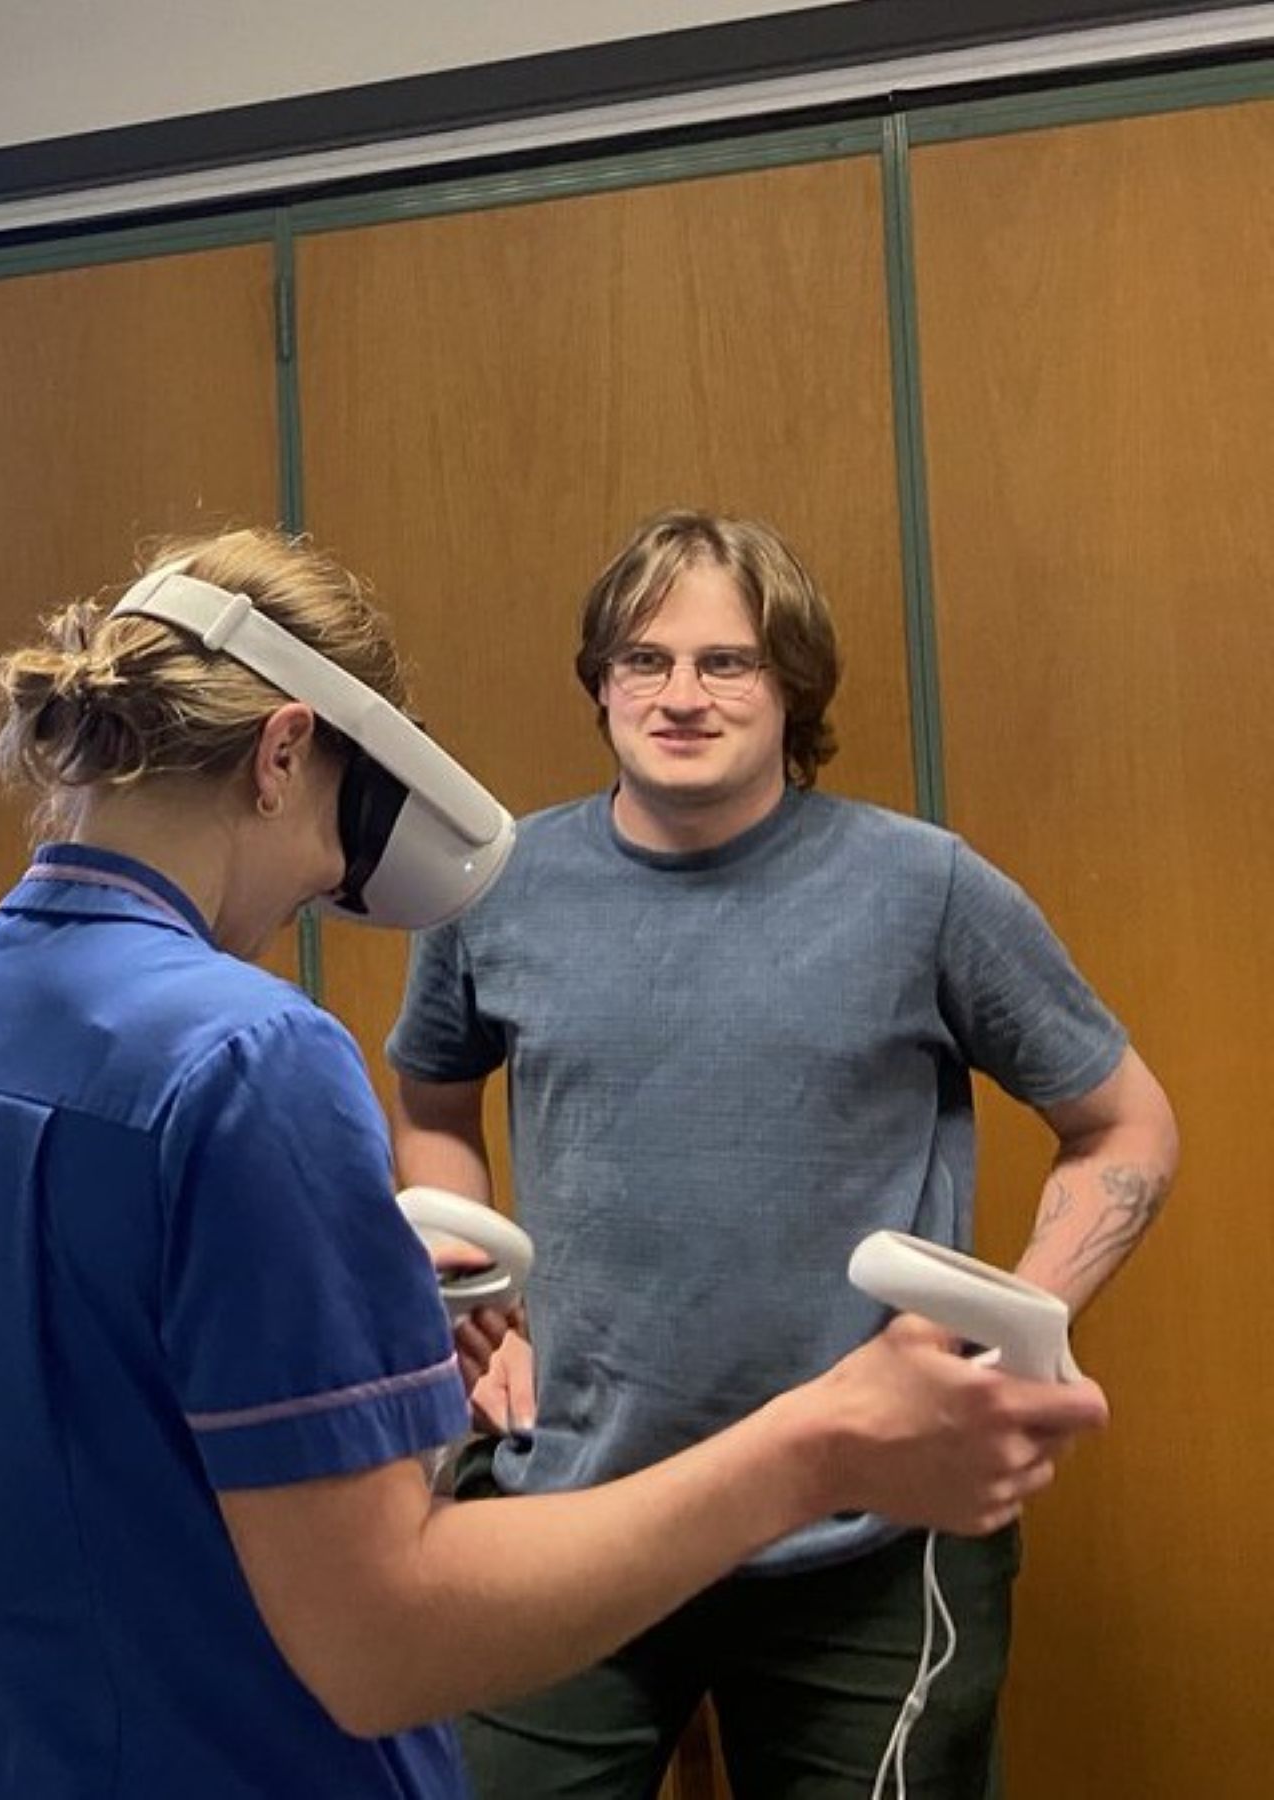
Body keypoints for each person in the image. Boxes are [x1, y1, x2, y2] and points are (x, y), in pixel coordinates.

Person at [0, 526, 1110, 1799]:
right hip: (252, 1752)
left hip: (29, 1752)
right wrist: (818, 1446)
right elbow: (380, 1643)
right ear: (285, 751)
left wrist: (377, 1305)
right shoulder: (250, 1055)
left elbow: (122, 1407)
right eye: (646, 659)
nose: (327, 882)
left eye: (724, 661)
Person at [387, 509, 1179, 1798]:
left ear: (790, 686)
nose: (679, 695)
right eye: (643, 660)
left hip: (867, 1540)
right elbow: (430, 1104)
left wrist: (1017, 1322)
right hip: (571, 1503)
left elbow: (1121, 1122)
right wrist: (481, 1307)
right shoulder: (497, 887)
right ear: (597, 684)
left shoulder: (920, 886)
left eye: (726, 663)